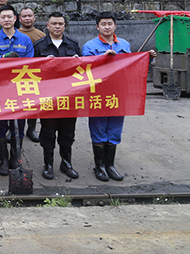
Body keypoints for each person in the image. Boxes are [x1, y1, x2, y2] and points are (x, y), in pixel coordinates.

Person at [82, 11, 156, 182]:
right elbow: (84, 68)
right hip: (98, 94)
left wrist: (147, 59)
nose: (107, 27)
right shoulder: (89, 46)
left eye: (110, 24)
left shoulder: (124, 44)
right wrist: (102, 58)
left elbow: (132, 66)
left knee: (115, 130)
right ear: (97, 27)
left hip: (119, 94)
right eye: (103, 24)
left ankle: (110, 165)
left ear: (115, 26)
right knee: (99, 129)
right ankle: (99, 166)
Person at [0, 5, 34, 176]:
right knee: (0, 125)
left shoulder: (25, 40)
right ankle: (3, 160)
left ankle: (15, 158)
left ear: (15, 19)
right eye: (3, 17)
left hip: (19, 89)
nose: (6, 20)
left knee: (19, 126)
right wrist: (3, 57)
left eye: (9, 17)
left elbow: (31, 64)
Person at [33, 12, 81, 180]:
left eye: (60, 23)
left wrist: (77, 61)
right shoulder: (39, 46)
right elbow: (32, 72)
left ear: (64, 26)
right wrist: (44, 65)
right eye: (54, 23)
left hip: (69, 97)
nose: (57, 26)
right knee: (48, 131)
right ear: (48, 26)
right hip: (48, 97)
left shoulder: (73, 44)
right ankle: (48, 164)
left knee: (68, 132)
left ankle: (66, 163)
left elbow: (83, 71)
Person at [18, 7, 46, 142]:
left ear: (34, 18)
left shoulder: (41, 35)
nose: (27, 18)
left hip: (35, 75)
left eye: (30, 16)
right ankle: (16, 129)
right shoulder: (16, 34)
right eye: (24, 16)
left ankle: (32, 128)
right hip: (18, 75)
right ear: (19, 19)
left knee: (33, 104)